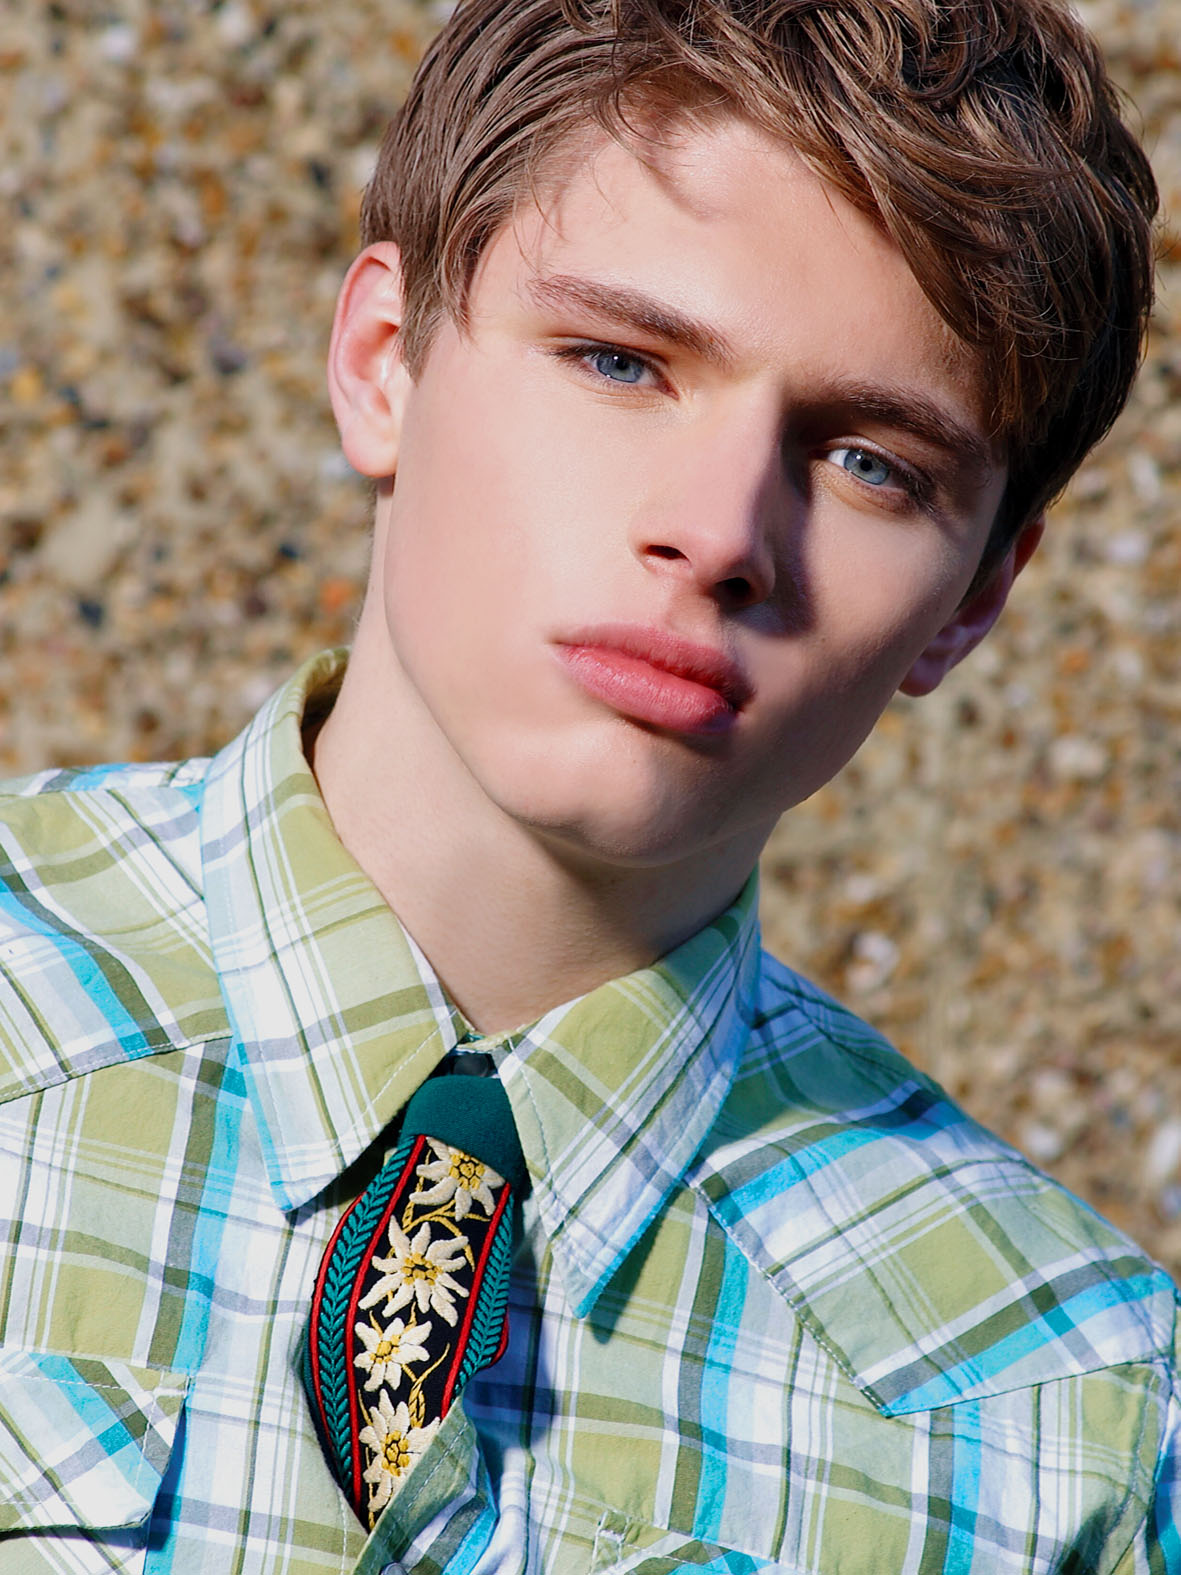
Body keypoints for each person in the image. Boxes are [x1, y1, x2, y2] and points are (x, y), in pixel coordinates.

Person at [0, 0, 1175, 1569]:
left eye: (870, 462)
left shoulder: (1073, 1424)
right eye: (618, 361)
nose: (720, 532)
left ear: (972, 601)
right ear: (383, 362)